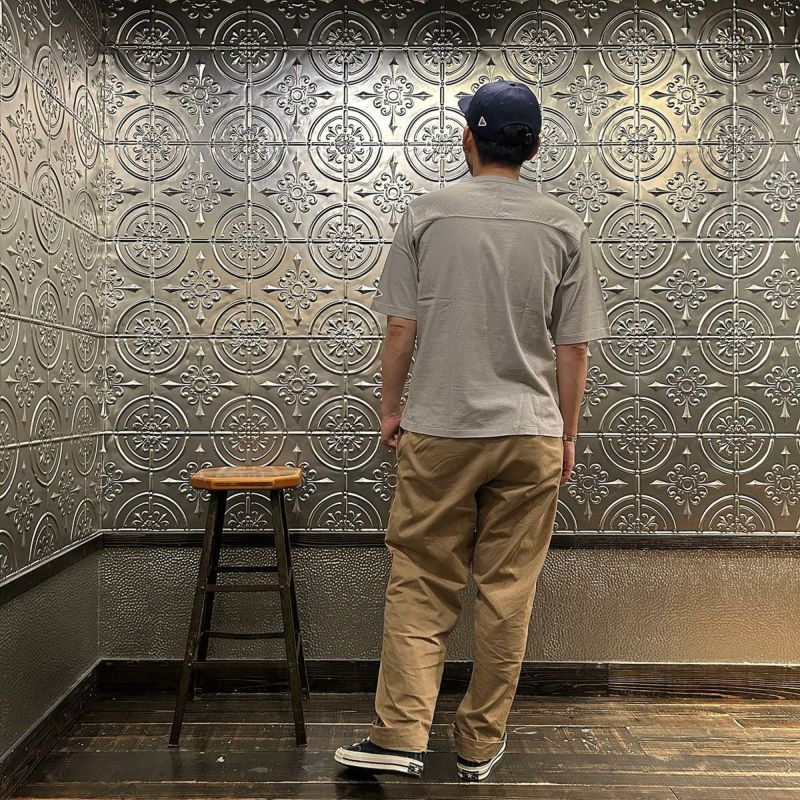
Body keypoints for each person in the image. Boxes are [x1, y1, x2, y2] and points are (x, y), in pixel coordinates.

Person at [334, 80, 611, 782]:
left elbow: (401, 326)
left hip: (442, 427)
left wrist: (390, 409)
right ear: (534, 148)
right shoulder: (564, 225)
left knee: (422, 580)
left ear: (468, 139)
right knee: (508, 591)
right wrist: (566, 434)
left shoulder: (426, 215)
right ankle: (479, 746)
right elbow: (573, 348)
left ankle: (400, 736)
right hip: (531, 431)